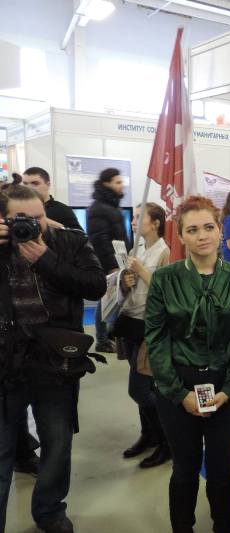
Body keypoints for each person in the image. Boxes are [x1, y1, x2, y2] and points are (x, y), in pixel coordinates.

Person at [144, 195, 230, 533]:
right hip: (177, 387)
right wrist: (179, 394)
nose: (202, 235)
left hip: (226, 387)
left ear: (220, 230)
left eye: (208, 227)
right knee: (184, 469)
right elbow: (156, 339)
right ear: (181, 236)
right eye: (192, 230)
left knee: (222, 471)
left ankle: (224, 527)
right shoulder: (165, 280)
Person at [0, 184, 106, 533]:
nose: (33, 225)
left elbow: (96, 285)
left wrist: (46, 259)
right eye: (21, 219)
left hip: (55, 362)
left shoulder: (70, 241)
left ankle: (49, 511)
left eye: (39, 216)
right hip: (6, 364)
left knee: (57, 443)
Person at [115, 203, 171, 468]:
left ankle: (167, 440)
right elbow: (130, 285)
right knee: (143, 388)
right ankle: (148, 434)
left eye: (139, 217)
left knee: (139, 388)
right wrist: (125, 281)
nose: (134, 221)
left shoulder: (164, 252)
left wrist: (141, 271)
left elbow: (165, 291)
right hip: (130, 323)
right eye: (134, 217)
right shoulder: (136, 249)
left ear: (155, 223)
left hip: (150, 327)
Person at [87, 167, 130, 353]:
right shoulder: (99, 208)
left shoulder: (111, 206)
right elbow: (100, 241)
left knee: (117, 298)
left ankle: (110, 335)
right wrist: (112, 266)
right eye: (117, 182)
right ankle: (102, 340)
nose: (121, 185)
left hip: (119, 260)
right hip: (109, 264)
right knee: (106, 300)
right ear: (107, 184)